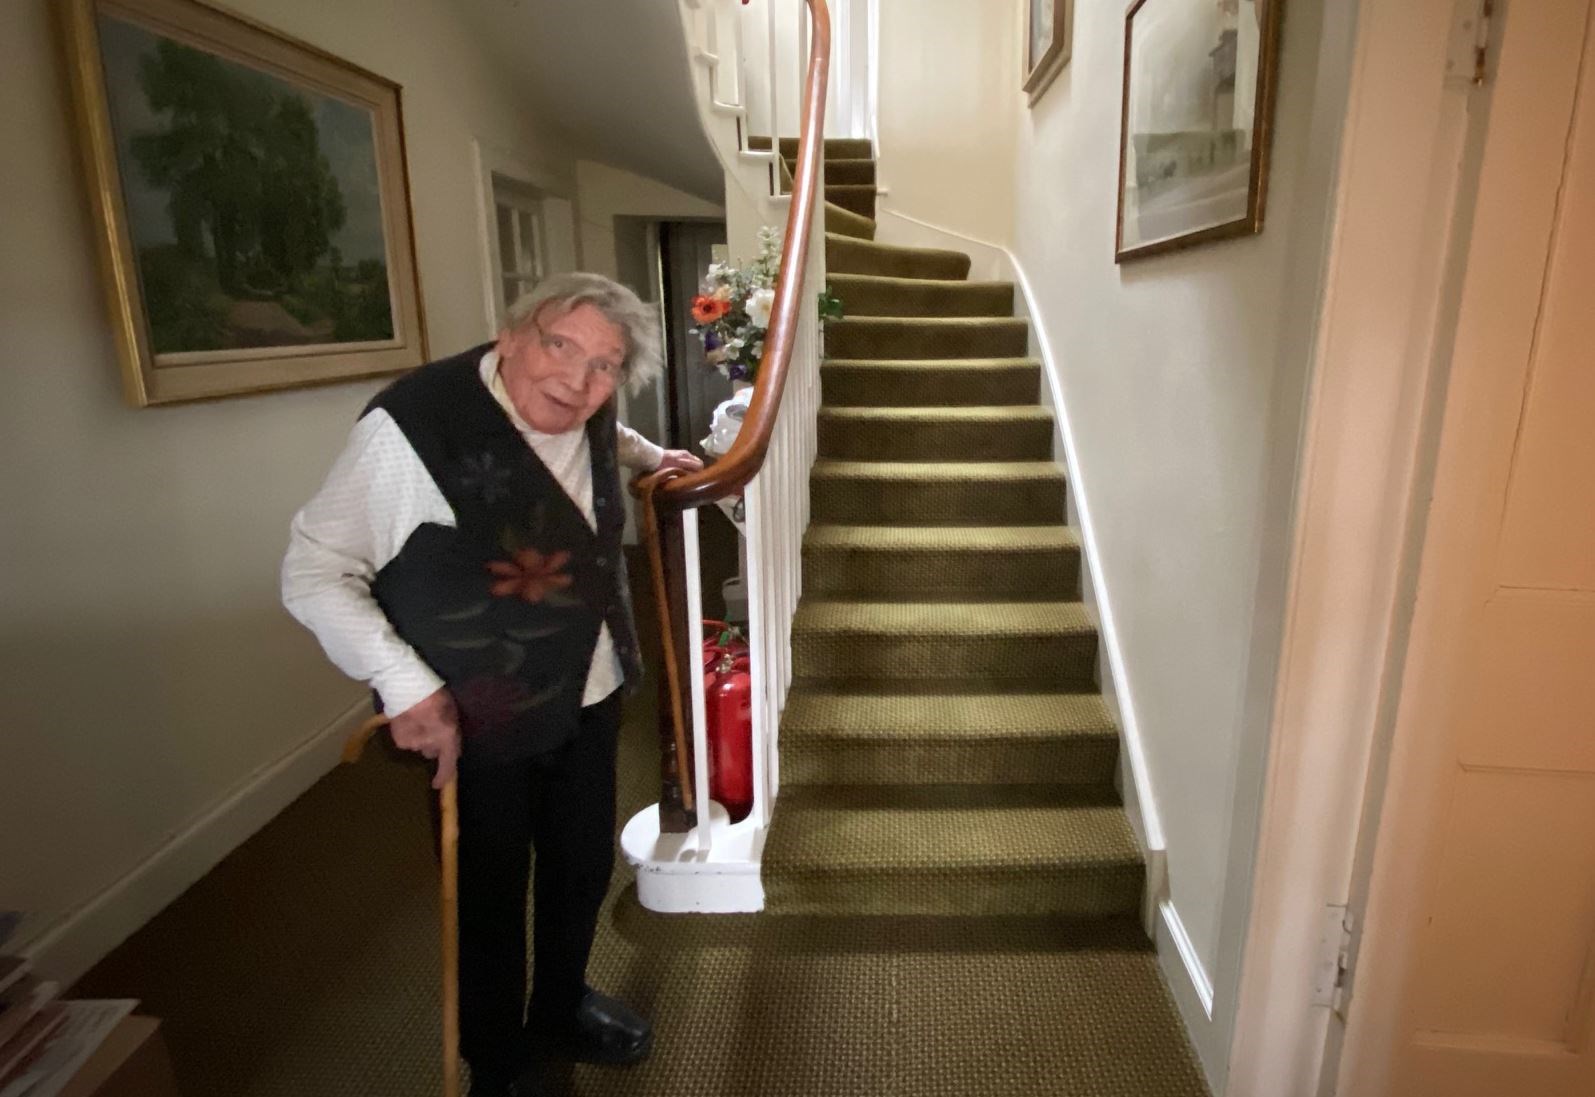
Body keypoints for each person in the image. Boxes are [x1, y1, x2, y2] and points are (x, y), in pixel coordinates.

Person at [281, 273, 701, 1097]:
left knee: (580, 863)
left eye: (605, 366)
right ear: (509, 337)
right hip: (478, 709)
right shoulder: (413, 429)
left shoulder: (590, 407)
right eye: (559, 346)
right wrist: (403, 685)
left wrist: (655, 458)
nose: (577, 380)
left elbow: (605, 438)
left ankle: (559, 1002)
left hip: (589, 681)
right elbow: (314, 569)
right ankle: (497, 1056)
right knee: (490, 886)